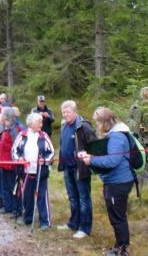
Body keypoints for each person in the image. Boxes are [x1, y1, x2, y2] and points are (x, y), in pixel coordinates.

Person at [80, 107, 134, 256]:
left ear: (105, 122)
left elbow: (112, 161)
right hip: (116, 181)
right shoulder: (116, 134)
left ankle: (122, 250)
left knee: (118, 217)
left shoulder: (117, 137)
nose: (97, 125)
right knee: (116, 215)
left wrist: (91, 160)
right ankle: (119, 246)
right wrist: (90, 155)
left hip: (118, 183)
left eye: (98, 122)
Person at [57, 100, 97, 239]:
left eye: (67, 112)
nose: (65, 114)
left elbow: (94, 146)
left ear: (74, 111)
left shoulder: (83, 126)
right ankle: (73, 223)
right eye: (63, 112)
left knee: (84, 198)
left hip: (81, 169)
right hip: (68, 168)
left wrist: (88, 155)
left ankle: (84, 228)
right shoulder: (64, 126)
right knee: (73, 198)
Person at [12, 113, 55, 230]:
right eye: (39, 122)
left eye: (41, 122)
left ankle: (45, 222)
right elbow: (14, 151)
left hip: (40, 171)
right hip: (26, 171)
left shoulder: (44, 136)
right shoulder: (22, 135)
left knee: (42, 196)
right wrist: (19, 159)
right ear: (31, 124)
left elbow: (51, 152)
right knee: (27, 196)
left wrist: (44, 160)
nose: (41, 125)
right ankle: (28, 218)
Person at [0, 107, 21, 216]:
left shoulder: (14, 130)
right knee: (5, 185)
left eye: (4, 116)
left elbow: (16, 147)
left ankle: (16, 208)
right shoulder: (5, 129)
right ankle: (7, 207)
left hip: (11, 164)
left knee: (13, 186)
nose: (2, 118)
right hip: (3, 163)